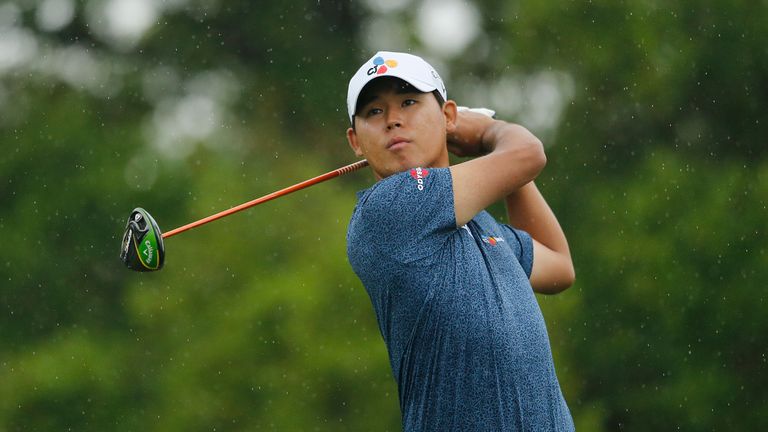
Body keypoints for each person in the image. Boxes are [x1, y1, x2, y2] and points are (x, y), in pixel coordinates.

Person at [345, 51, 575, 431]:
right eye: (373, 111)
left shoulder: (482, 228)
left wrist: (503, 163)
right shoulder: (388, 210)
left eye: (409, 102)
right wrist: (488, 132)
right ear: (355, 141)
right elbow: (529, 152)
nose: (393, 120)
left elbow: (559, 267)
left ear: (446, 116)